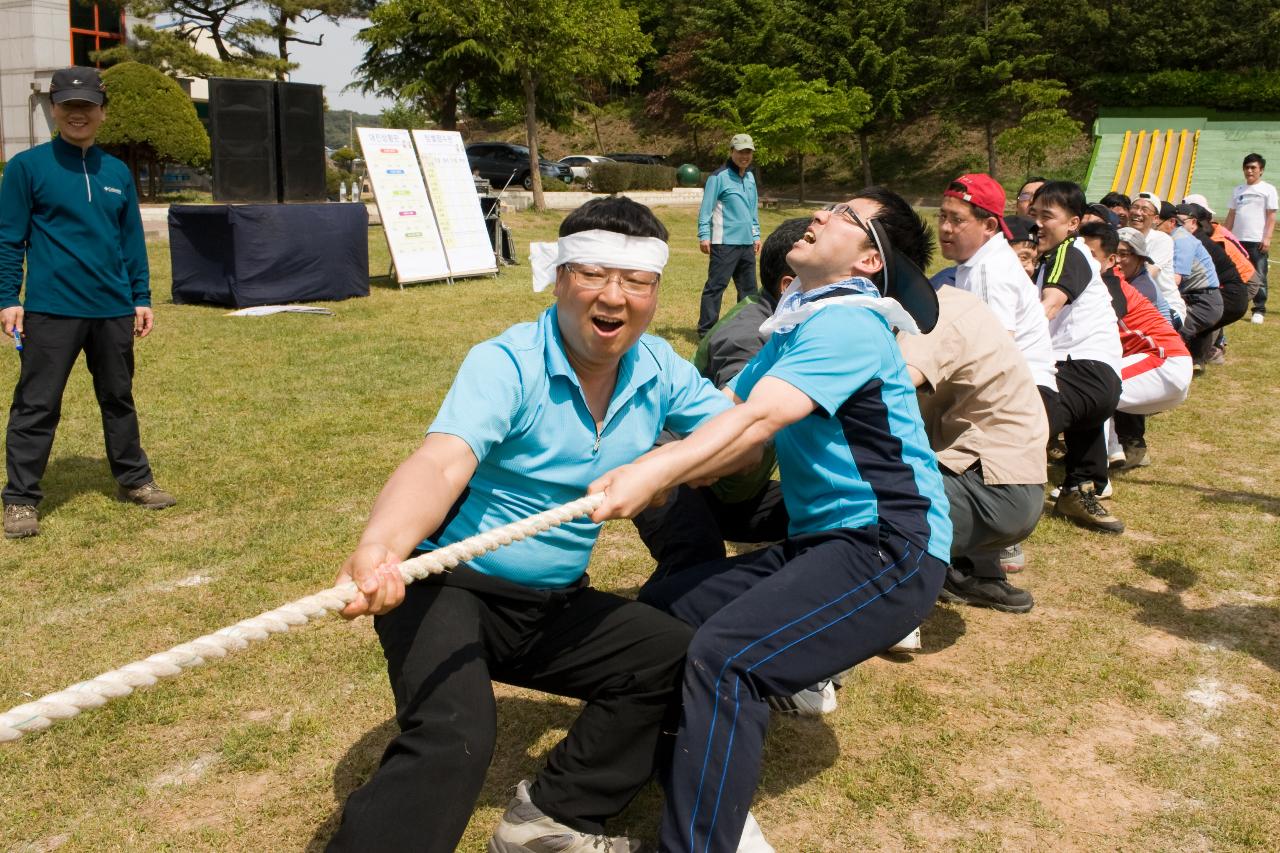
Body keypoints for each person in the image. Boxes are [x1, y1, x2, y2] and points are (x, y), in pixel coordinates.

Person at [324, 197, 734, 853]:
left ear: (656, 290)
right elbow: (440, 463)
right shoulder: (507, 361)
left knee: (674, 656)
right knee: (457, 730)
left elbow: (738, 437)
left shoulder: (659, 367)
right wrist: (381, 545)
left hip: (551, 602)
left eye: (635, 280)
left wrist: (667, 463)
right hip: (445, 584)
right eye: (593, 274)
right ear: (558, 276)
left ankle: (552, 816)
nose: (613, 296)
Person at [590, 187, 951, 853]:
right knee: (663, 611)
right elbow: (721, 413)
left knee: (728, 659)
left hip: (892, 546)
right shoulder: (798, 325)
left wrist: (654, 473)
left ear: (871, 260)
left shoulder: (849, 323)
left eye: (844, 216)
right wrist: (615, 448)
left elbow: (758, 420)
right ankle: (674, 780)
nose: (821, 215)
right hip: (822, 542)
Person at [0, 66, 175, 540]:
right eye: (68, 106)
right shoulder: (26, 168)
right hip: (52, 309)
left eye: (88, 107)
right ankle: (19, 499)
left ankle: (135, 480)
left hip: (112, 309)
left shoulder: (116, 171)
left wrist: (141, 296)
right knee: (37, 404)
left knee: (118, 399)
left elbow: (131, 242)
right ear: (53, 109)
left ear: (102, 112)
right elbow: (9, 239)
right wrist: (7, 298)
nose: (78, 115)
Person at [632, 219, 805, 581]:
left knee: (830, 512)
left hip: (735, 492)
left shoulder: (788, 329)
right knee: (696, 562)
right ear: (789, 287)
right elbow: (740, 427)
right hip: (682, 479)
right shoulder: (747, 336)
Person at [936, 174, 1055, 579]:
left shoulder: (991, 272)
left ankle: (991, 553)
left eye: (957, 219)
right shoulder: (977, 263)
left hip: (1024, 392)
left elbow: (993, 351)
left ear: (989, 225)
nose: (945, 228)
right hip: (1020, 386)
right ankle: (982, 566)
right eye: (942, 217)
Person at [902, 284, 1048, 614]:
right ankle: (971, 570)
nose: (947, 228)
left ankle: (898, 602)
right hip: (1017, 480)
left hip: (996, 489)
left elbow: (890, 386)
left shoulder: (928, 314)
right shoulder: (955, 300)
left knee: (864, 500)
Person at [1028, 181, 1125, 534]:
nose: (1037, 222)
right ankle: (1078, 488)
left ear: (1073, 223)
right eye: (1034, 213)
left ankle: (999, 514)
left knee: (1014, 428)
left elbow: (1048, 308)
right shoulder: (1065, 256)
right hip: (1098, 377)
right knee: (1080, 418)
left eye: (1047, 216)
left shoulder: (1069, 252)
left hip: (1081, 368)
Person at [1078, 222, 1192, 471]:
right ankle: (1112, 450)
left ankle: (1093, 478)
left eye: (1090, 255)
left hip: (1165, 362)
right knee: (1094, 385)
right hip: (1160, 361)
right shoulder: (1107, 281)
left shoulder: (1110, 286)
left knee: (1094, 389)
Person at [696, 133, 761, 337]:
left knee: (749, 290)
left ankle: (748, 329)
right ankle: (706, 332)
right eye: (741, 151)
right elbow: (706, 209)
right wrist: (704, 235)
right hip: (724, 243)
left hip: (746, 243)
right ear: (731, 151)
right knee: (716, 287)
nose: (745, 156)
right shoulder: (718, 177)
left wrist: (756, 235)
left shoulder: (750, 177)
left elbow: (752, 210)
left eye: (748, 151)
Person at [1223, 153, 1276, 323]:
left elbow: (1271, 216)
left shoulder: (1268, 189)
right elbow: (1231, 214)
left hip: (1256, 241)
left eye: (1253, 167)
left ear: (1261, 170)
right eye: (1247, 167)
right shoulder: (1238, 190)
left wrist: (1267, 238)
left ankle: (1258, 310)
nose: (1249, 171)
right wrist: (1225, 235)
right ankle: (1237, 306)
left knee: (1259, 275)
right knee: (1236, 275)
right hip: (1237, 241)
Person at [1128, 192, 1187, 327]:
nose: (1137, 212)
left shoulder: (1162, 240)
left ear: (1155, 219)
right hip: (1135, 303)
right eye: (1135, 207)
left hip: (1166, 307)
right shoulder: (1120, 237)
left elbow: (1146, 276)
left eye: (1144, 210)